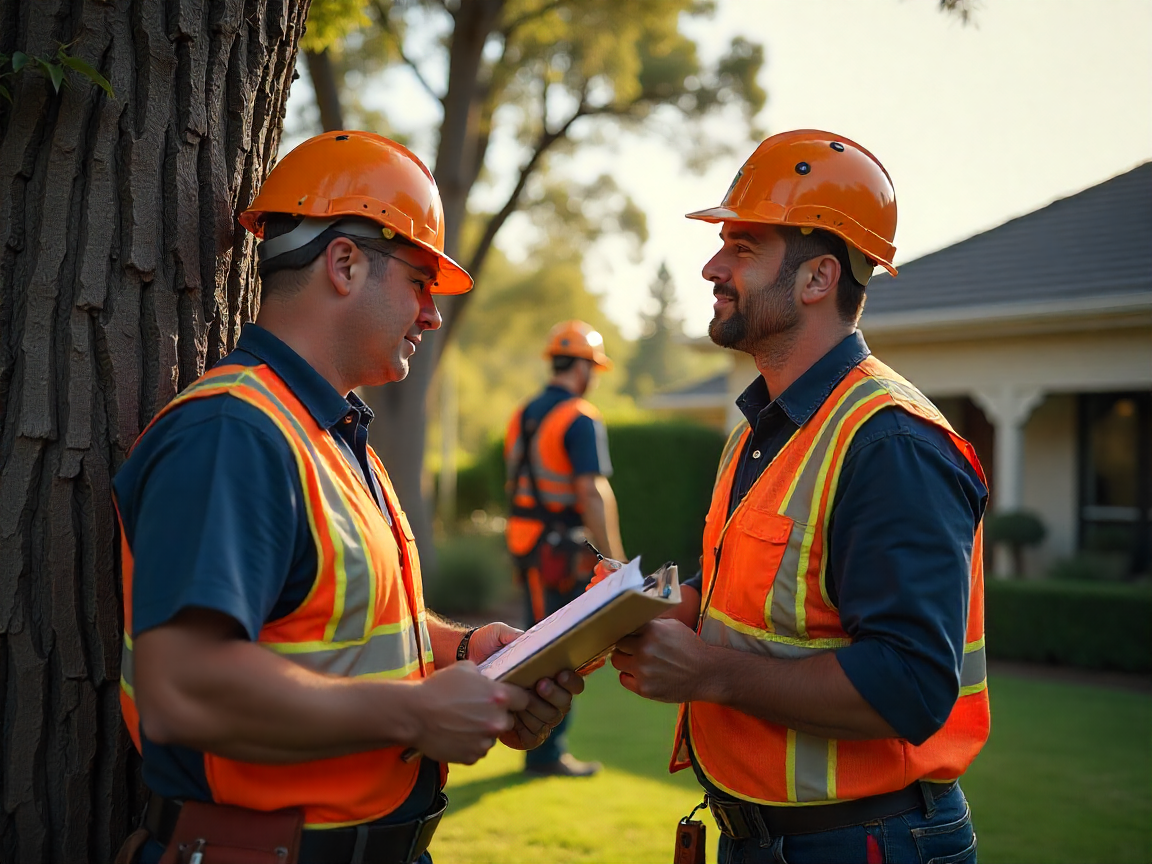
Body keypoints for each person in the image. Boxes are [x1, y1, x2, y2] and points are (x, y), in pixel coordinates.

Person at [113, 131, 584, 864]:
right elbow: (185, 688)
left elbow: (345, 630)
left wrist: (466, 651)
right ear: (344, 262)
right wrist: (416, 714)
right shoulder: (232, 431)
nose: (432, 314)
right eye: (421, 281)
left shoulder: (328, 431)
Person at [607, 130, 990, 863]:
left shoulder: (891, 444)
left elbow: (909, 686)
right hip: (773, 838)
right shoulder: (765, 426)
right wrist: (646, 608)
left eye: (743, 247)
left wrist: (708, 673)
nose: (712, 266)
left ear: (817, 279)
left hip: (869, 842)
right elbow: (755, 597)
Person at [502, 321, 626, 777]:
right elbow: (592, 493)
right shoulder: (580, 417)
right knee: (558, 650)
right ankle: (545, 755)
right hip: (559, 551)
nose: (594, 376)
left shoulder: (523, 413)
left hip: (527, 544)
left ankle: (543, 751)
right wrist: (615, 562)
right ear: (581, 367)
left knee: (541, 641)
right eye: (593, 367)